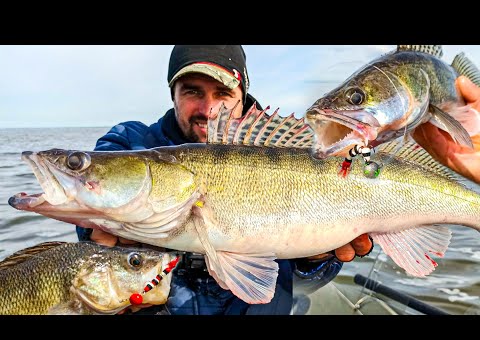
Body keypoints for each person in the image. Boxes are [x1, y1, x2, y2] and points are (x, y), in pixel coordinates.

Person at [76, 45, 374, 315]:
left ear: (242, 97)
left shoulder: (302, 153)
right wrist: (98, 235)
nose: (208, 110)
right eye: (192, 91)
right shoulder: (131, 143)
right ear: (173, 95)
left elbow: (303, 277)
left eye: (223, 94)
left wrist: (315, 260)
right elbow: (90, 199)